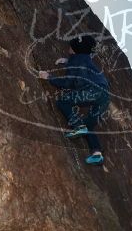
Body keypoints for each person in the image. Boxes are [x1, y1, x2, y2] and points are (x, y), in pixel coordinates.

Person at [38, 35, 109, 165]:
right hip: (104, 95)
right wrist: (67, 61)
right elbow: (83, 67)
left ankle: (77, 126)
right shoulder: (85, 59)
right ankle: (96, 153)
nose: (69, 49)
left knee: (63, 101)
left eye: (71, 47)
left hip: (92, 90)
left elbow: (68, 82)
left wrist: (49, 77)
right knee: (89, 124)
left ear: (76, 49)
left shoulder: (76, 60)